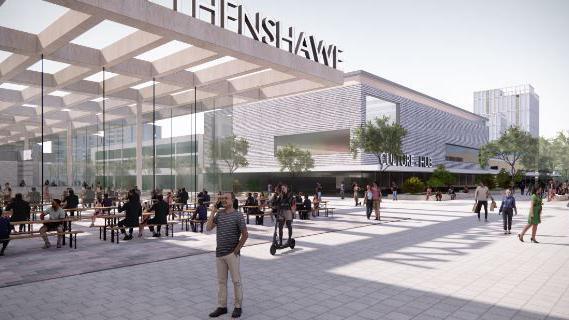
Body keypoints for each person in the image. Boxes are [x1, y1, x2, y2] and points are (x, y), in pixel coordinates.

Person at [206, 192, 248, 319]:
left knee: (236, 281)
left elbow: (245, 234)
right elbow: (208, 228)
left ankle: (238, 307)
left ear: (233, 200)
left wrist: (236, 250)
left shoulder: (238, 215)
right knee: (221, 282)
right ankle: (222, 306)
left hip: (232, 254)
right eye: (222, 198)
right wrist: (213, 211)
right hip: (220, 254)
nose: (224, 200)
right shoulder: (219, 214)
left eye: (226, 198)